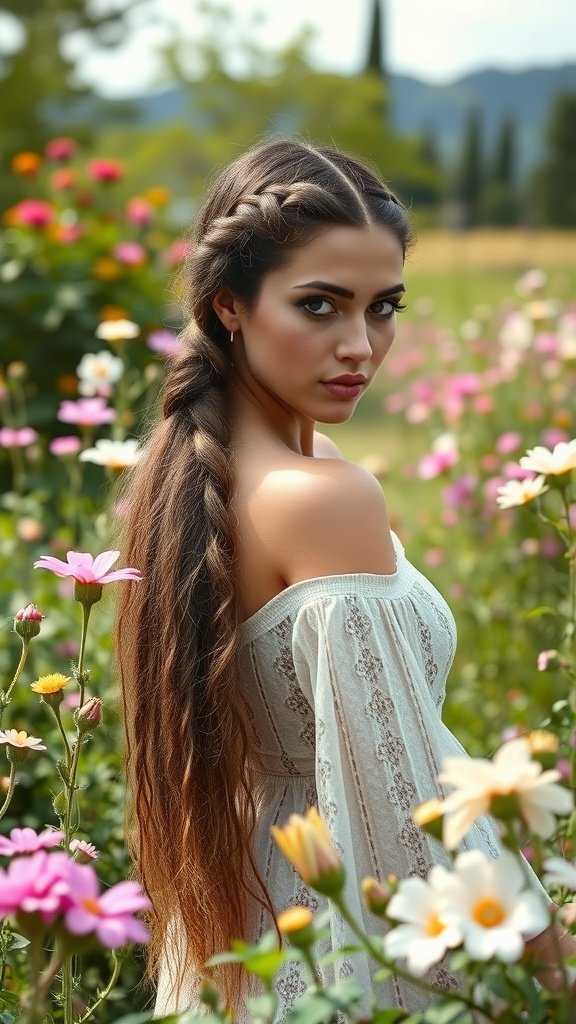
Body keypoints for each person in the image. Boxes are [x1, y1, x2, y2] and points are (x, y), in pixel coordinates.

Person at [115, 138, 571, 1020]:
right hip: (351, 937)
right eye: (318, 305)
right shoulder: (321, 497)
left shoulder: (187, 474)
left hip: (253, 921)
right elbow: (410, 803)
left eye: (384, 307)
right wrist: (553, 969)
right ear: (230, 304)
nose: (360, 346)